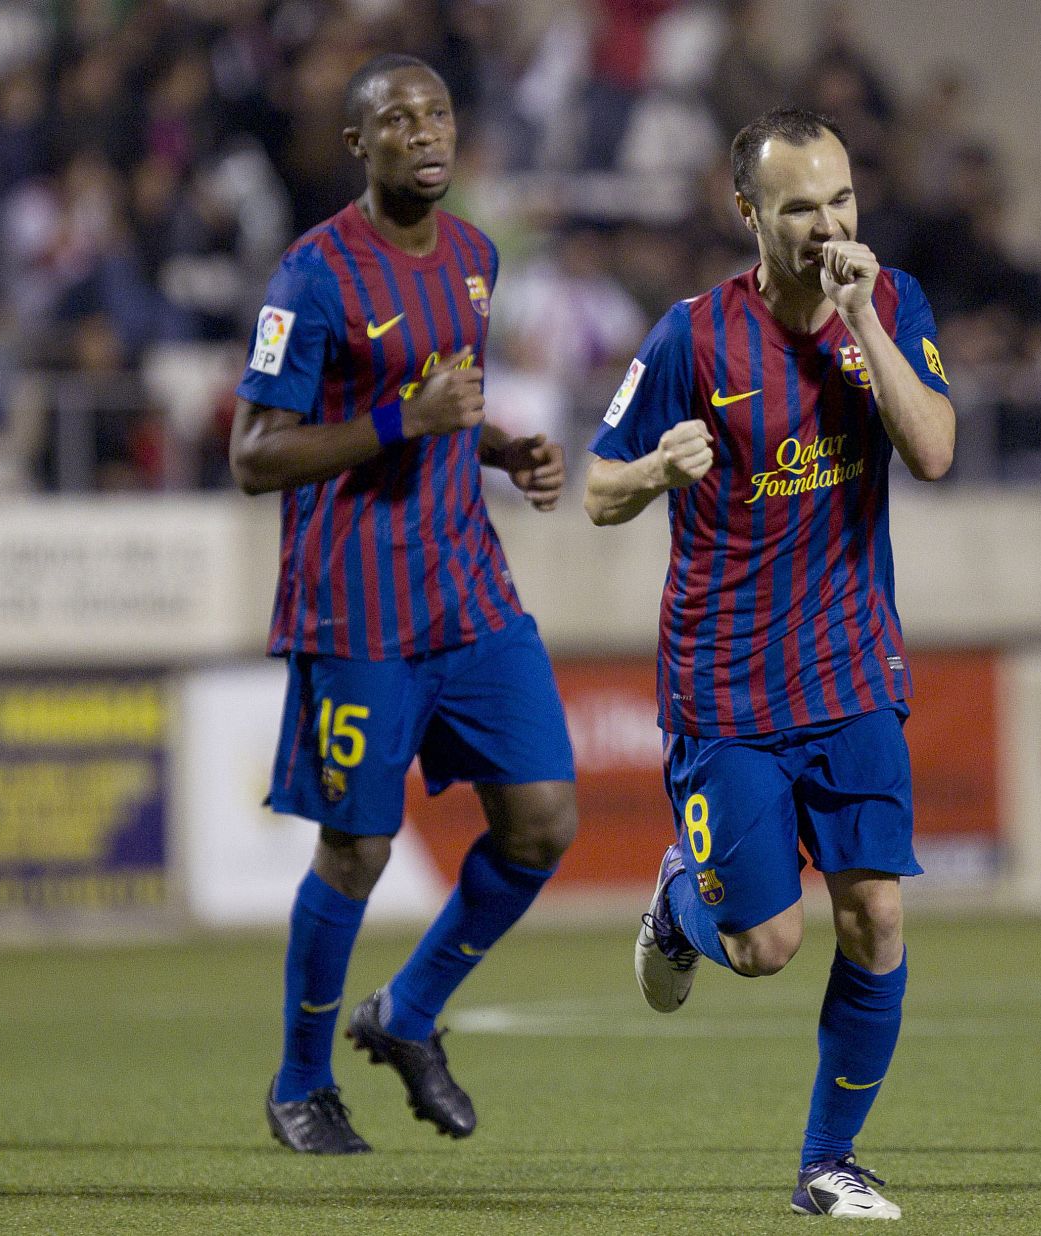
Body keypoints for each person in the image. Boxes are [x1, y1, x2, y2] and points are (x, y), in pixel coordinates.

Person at [582, 106, 954, 1220]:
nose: (827, 223)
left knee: (874, 917)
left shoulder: (887, 303)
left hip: (851, 674)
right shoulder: (689, 337)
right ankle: (676, 910)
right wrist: (654, 467)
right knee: (765, 945)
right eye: (800, 207)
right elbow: (595, 490)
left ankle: (825, 1164)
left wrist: (860, 326)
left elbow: (931, 449)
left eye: (840, 199)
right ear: (745, 213)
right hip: (727, 687)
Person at [229, 53, 579, 1156]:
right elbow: (252, 454)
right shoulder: (310, 275)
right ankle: (299, 1085)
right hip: (357, 615)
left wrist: (498, 447)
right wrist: (404, 424)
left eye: (437, 114)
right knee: (359, 851)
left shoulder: (476, 255)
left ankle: (409, 1011)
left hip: (470, 595)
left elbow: (442, 407)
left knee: (542, 822)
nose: (424, 133)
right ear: (359, 144)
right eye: (397, 120)